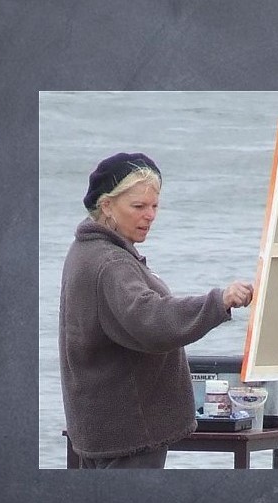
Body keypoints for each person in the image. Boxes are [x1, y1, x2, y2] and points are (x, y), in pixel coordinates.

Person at [58, 152, 253, 469]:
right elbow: (153, 321)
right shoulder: (111, 263)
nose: (149, 215)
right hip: (128, 433)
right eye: (138, 207)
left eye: (155, 206)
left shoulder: (86, 250)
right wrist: (219, 302)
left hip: (99, 428)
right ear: (106, 206)